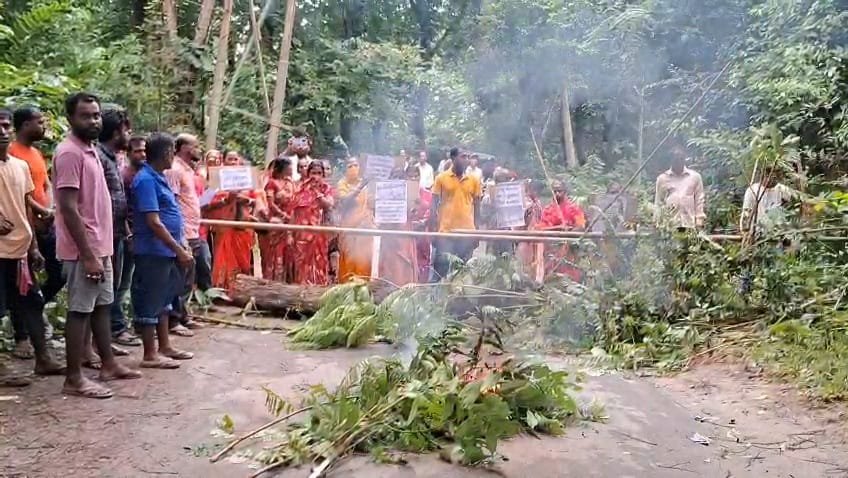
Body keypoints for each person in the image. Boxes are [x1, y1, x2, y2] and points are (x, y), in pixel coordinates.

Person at [54, 92, 141, 399]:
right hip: (84, 249)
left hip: (101, 246)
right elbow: (68, 207)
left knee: (102, 305)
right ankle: (74, 378)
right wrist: (89, 254)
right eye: (85, 116)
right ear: (70, 118)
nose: (93, 121)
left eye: (96, 115)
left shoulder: (91, 150)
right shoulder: (69, 153)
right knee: (80, 310)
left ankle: (108, 364)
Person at [0, 109, 65, 385]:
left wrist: (33, 246)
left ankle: (43, 359)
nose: (3, 131)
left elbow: (26, 207)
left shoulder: (20, 166)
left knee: (33, 303)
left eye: (5, 126)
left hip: (20, 250)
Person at [130, 133, 194, 369]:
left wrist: (180, 244)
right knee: (150, 300)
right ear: (166, 153)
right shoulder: (146, 180)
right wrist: (178, 249)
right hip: (153, 250)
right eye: (172, 152)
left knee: (164, 299)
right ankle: (150, 354)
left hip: (166, 251)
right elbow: (154, 222)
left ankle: (165, 345)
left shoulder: (159, 177)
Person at [97, 108, 139, 349]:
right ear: (116, 132)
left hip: (117, 232)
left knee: (114, 287)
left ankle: (105, 339)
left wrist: (125, 229)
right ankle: (104, 339)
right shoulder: (99, 158)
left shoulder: (112, 158)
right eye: (126, 130)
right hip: (103, 235)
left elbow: (117, 199)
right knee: (103, 290)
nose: (129, 135)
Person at [165, 133, 208, 335]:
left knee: (188, 277)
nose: (198, 149)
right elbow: (172, 202)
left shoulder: (188, 170)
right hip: (182, 231)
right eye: (195, 145)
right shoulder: (174, 170)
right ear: (183, 148)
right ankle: (173, 320)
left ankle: (183, 315)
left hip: (192, 229)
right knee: (179, 277)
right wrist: (179, 233)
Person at [205, 153, 258, 289]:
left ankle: (242, 289)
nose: (233, 162)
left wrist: (247, 200)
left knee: (243, 261)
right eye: (230, 159)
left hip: (243, 228)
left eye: (236, 159)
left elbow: (257, 201)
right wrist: (226, 200)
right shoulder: (216, 180)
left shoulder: (247, 179)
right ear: (224, 161)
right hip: (223, 227)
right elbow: (206, 203)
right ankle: (222, 289)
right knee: (223, 260)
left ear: (240, 161)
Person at [112, 135, 146, 341]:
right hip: (126, 235)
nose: (142, 154)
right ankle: (117, 328)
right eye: (137, 151)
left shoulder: (144, 174)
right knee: (120, 283)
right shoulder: (124, 176)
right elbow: (121, 210)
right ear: (129, 153)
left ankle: (130, 323)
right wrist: (128, 234)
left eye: (144, 150)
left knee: (131, 282)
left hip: (139, 235)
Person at [430, 148, 482, 279]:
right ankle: (434, 292)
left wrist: (477, 232)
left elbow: (477, 207)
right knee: (440, 271)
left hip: (467, 232)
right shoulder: (441, 178)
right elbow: (433, 205)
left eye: (467, 157)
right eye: (462, 156)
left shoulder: (474, 180)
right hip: (446, 232)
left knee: (463, 272)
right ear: (453, 158)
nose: (466, 160)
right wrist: (433, 231)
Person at [290, 161, 334, 285]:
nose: (316, 176)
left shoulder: (326, 189)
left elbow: (329, 205)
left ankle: (318, 291)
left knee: (319, 265)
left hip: (319, 236)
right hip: (301, 237)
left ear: (323, 175)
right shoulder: (300, 189)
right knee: (301, 267)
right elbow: (293, 212)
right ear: (308, 174)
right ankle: (302, 291)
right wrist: (289, 234)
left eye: (319, 173)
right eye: (313, 173)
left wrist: (317, 193)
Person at [537, 180, 586, 281]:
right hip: (551, 250)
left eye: (560, 191)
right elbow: (542, 228)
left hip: (569, 249)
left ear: (565, 192)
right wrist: (558, 228)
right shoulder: (548, 210)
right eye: (554, 191)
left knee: (570, 276)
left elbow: (581, 225)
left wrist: (569, 234)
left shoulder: (573, 208)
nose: (557, 194)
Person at [377, 167, 418, 285]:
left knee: (405, 265)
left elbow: (414, 212)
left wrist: (413, 206)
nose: (397, 180)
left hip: (404, 236)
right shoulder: (383, 193)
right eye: (395, 177)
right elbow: (379, 215)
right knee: (389, 266)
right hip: (389, 237)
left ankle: (405, 290)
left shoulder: (410, 194)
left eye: (400, 178)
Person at [336, 157, 374, 282]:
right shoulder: (342, 184)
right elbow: (346, 201)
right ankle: (346, 287)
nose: (353, 168)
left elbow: (371, 204)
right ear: (345, 169)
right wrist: (360, 186)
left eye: (356, 165)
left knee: (364, 258)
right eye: (350, 166)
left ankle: (363, 286)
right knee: (349, 258)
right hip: (349, 228)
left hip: (364, 227)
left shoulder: (366, 185)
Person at [259, 157, 296, 282]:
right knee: (275, 252)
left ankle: (287, 281)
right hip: (276, 222)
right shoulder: (272, 183)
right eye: (289, 167)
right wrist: (283, 216)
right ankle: (273, 280)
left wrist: (291, 217)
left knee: (289, 251)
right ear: (283, 168)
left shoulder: (290, 183)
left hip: (291, 222)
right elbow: (271, 204)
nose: (292, 169)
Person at [654, 146, 706, 229]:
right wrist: (657, 221)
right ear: (671, 160)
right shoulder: (662, 179)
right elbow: (659, 202)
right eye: (676, 160)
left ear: (684, 159)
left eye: (681, 159)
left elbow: (699, 200)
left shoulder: (695, 177)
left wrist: (699, 220)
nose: (678, 162)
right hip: (670, 225)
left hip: (689, 223)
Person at [740, 168, 793, 235]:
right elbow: (746, 211)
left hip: (778, 231)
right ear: (764, 176)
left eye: (775, 178)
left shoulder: (782, 189)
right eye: (771, 177)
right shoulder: (752, 190)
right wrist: (744, 229)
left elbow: (789, 203)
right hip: (757, 230)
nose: (773, 180)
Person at [406, 165, 433, 282]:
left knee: (423, 263)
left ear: (420, 177)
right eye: (410, 176)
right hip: (406, 234)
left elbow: (432, 211)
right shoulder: (401, 193)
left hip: (422, 235)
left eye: (416, 176)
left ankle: (422, 288)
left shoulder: (427, 194)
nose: (413, 179)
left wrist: (423, 222)